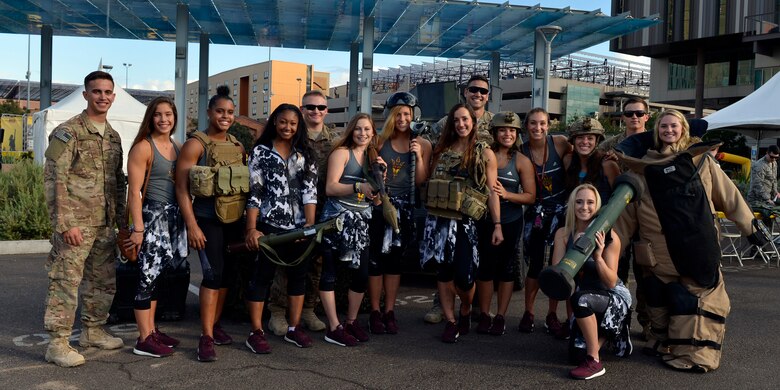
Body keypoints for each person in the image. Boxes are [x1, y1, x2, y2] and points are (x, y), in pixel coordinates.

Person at [615, 109, 763, 372]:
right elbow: (625, 221)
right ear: (656, 131)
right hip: (656, 255)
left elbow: (730, 197)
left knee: (696, 300)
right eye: (664, 126)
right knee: (658, 298)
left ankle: (696, 356)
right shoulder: (640, 169)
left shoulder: (702, 162)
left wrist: (751, 228)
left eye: (674, 125)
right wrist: (609, 250)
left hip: (698, 248)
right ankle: (661, 340)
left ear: (683, 128)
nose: (669, 130)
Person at [42, 71, 127, 367]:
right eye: (97, 91)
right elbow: (54, 179)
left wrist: (120, 222)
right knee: (65, 281)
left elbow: (118, 182)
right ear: (86, 94)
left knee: (102, 281)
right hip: (76, 224)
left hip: (104, 224)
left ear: (113, 96)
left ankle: (92, 331)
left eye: (107, 92)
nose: (103, 97)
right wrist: (65, 223)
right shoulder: (68, 132)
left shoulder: (113, 137)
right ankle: (57, 344)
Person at [176, 85, 246, 362]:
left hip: (234, 220)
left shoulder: (238, 145)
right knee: (212, 275)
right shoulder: (196, 144)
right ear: (209, 112)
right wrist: (191, 226)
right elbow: (182, 189)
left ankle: (215, 326)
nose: (225, 116)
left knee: (228, 276)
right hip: (207, 220)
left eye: (229, 112)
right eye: (220, 111)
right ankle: (205, 336)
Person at [421, 103, 501, 343]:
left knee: (466, 278)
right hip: (440, 220)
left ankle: (465, 309)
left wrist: (497, 225)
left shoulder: (484, 152)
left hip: (466, 222)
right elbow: (429, 179)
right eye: (456, 120)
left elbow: (492, 191)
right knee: (443, 273)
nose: (461, 124)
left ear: (473, 122)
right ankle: (451, 321)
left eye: (465, 119)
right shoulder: (442, 150)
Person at [243, 104, 318, 353]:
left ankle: (294, 329)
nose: (288, 127)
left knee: (298, 278)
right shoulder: (261, 152)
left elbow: (310, 192)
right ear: (275, 121)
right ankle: (256, 331)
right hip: (269, 226)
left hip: (299, 228)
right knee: (261, 279)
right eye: (283, 121)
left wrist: (309, 226)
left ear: (299, 127)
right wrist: (252, 229)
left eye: (293, 123)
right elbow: (255, 192)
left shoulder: (305, 152)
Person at [125, 97, 188, 358]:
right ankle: (143, 339)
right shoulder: (143, 147)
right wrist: (138, 229)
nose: (164, 119)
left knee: (159, 277)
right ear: (150, 117)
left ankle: (152, 331)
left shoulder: (176, 145)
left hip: (173, 219)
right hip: (152, 219)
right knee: (146, 278)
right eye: (158, 115)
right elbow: (134, 193)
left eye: (169, 114)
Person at [266, 91, 332, 336]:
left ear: (326, 110)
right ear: (302, 109)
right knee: (286, 261)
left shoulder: (335, 140)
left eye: (321, 107)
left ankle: (308, 309)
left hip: (323, 208)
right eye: (310, 107)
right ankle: (278, 312)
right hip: (291, 210)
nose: (316, 111)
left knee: (315, 263)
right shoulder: (293, 137)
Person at [551, 184, 632, 380]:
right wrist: (576, 250)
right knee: (575, 356)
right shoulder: (563, 233)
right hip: (586, 295)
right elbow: (558, 277)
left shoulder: (610, 237)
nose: (584, 207)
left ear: (597, 206)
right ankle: (614, 331)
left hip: (613, 296)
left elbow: (612, 281)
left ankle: (595, 360)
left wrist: (597, 256)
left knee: (580, 300)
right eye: (579, 202)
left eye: (590, 202)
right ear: (572, 205)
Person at [368, 92, 432, 335]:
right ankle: (375, 311)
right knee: (376, 259)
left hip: (405, 208)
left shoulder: (423, 143)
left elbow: (421, 181)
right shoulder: (380, 141)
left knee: (395, 261)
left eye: (407, 114)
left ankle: (390, 311)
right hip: (380, 204)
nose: (403, 118)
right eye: (398, 114)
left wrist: (417, 156)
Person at [319, 113, 382, 347]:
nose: (362, 133)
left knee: (361, 275)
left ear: (373, 133)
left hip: (361, 222)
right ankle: (334, 326)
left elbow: (375, 200)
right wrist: (358, 185)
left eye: (367, 129)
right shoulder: (342, 153)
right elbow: (331, 188)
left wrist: (378, 183)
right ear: (351, 130)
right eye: (358, 129)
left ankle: (351, 321)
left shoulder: (374, 157)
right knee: (331, 273)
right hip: (336, 220)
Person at [474, 111, 535, 336]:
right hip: (484, 219)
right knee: (485, 268)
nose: (507, 134)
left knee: (507, 268)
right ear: (494, 132)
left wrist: (507, 195)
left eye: (511, 130)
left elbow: (530, 196)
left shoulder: (521, 161)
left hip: (510, 220)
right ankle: (484, 313)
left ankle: (500, 316)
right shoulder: (484, 154)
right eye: (502, 130)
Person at [518, 107, 572, 337]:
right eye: (533, 123)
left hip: (562, 213)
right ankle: (528, 312)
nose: (537, 128)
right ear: (526, 126)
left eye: (542, 123)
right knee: (536, 264)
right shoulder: (521, 150)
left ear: (548, 125)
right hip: (537, 213)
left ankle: (552, 314)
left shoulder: (559, 143)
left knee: (557, 265)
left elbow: (581, 155)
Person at [564, 118, 619, 204]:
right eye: (580, 137)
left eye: (590, 138)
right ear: (573, 141)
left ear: (596, 141)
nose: (585, 142)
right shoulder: (567, 160)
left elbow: (617, 199)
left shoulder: (607, 164)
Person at [747, 145, 780, 223]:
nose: (774, 159)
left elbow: (774, 180)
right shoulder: (759, 165)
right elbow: (757, 185)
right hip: (756, 200)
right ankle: (764, 233)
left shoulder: (774, 163)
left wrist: (776, 193)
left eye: (776, 158)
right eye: (772, 157)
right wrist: (767, 199)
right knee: (767, 213)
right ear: (767, 153)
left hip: (768, 199)